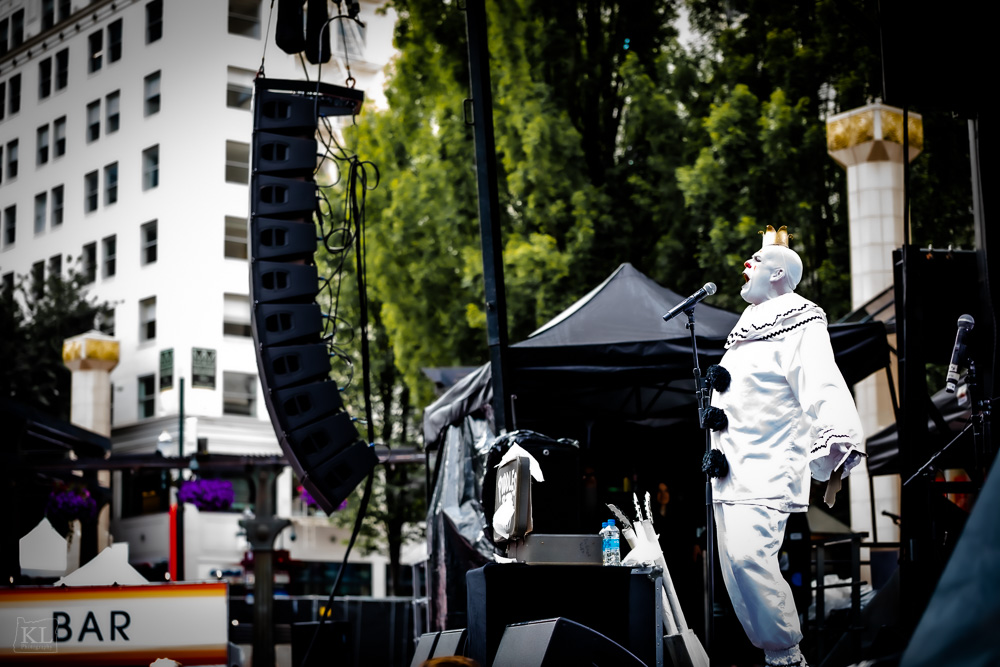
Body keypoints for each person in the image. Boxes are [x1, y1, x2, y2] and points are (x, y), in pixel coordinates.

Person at [706, 225, 865, 667]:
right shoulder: (747, 327)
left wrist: (835, 433)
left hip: (767, 462)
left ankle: (787, 656)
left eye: (756, 260)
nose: (746, 264)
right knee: (735, 569)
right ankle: (775, 654)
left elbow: (821, 378)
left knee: (748, 558)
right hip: (731, 469)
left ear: (778, 273)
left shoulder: (801, 319)